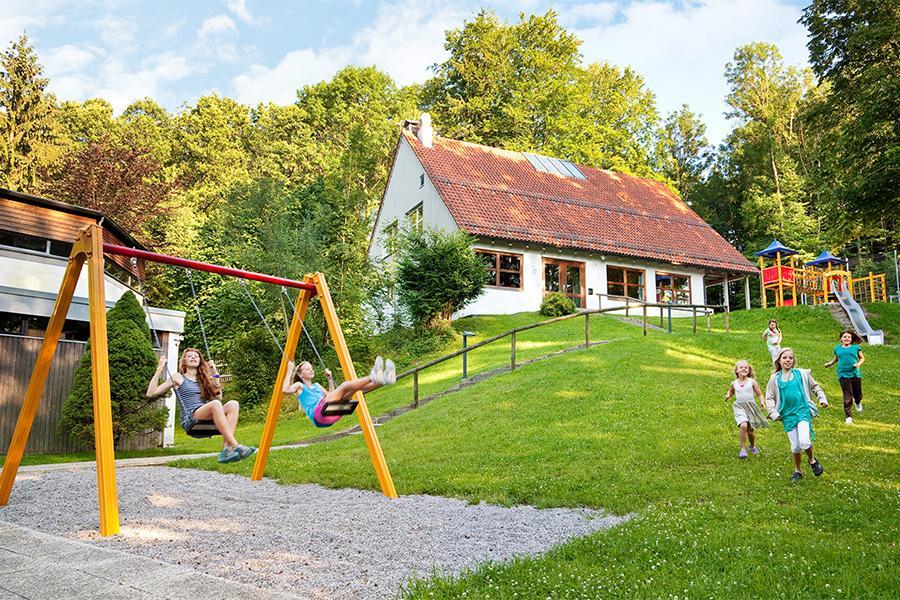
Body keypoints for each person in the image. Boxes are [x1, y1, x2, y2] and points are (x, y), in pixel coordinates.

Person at [146, 348, 256, 464]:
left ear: (200, 361)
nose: (193, 357)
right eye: (189, 356)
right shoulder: (178, 377)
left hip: (207, 415)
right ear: (184, 361)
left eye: (196, 356)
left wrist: (214, 372)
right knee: (215, 404)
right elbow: (151, 393)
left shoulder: (204, 379)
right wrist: (160, 368)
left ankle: (227, 449)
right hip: (192, 418)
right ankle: (235, 445)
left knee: (233, 404)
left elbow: (218, 397)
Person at [764, 348, 828, 481]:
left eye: (790, 358)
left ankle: (812, 460)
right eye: (784, 358)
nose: (788, 360)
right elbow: (769, 397)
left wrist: (822, 398)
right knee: (795, 446)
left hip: (802, 411)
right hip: (787, 415)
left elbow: (815, 387)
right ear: (779, 361)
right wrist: (773, 412)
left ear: (793, 361)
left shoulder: (802, 374)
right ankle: (798, 471)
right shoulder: (774, 379)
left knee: (804, 441)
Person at [283, 356, 396, 427]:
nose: (311, 370)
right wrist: (289, 370)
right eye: (307, 369)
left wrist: (330, 380)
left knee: (354, 388)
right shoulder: (300, 386)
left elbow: (331, 395)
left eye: (311, 368)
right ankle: (373, 376)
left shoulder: (317, 386)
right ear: (300, 374)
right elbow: (285, 390)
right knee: (345, 385)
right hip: (318, 415)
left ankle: (385, 379)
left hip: (331, 412)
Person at [724, 360, 768, 458]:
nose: (744, 369)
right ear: (737, 371)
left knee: (750, 431)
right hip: (739, 407)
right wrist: (728, 395)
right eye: (741, 367)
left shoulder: (752, 382)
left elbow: (759, 394)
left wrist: (762, 402)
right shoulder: (734, 383)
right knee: (743, 425)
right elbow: (731, 391)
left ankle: (752, 446)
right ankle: (743, 449)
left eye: (746, 367)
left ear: (749, 370)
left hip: (750, 407)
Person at [824, 330, 865, 425]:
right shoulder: (837, 349)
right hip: (843, 374)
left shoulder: (856, 348)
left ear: (851, 339)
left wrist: (858, 364)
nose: (847, 338)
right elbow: (837, 358)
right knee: (847, 395)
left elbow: (862, 358)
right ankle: (848, 417)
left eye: (849, 337)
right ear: (841, 339)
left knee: (858, 393)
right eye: (845, 337)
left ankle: (857, 402)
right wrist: (830, 363)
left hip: (855, 374)